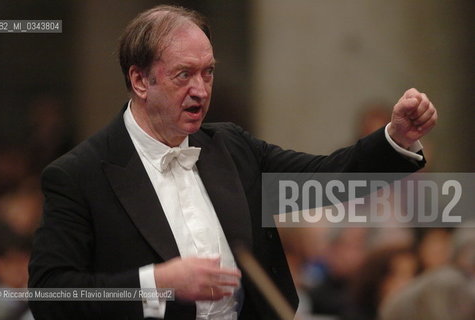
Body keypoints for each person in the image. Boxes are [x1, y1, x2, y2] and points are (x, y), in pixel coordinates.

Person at [28, 5, 438, 320]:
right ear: (140, 80)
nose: (200, 90)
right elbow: (51, 295)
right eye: (183, 75)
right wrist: (156, 284)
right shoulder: (78, 174)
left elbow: (326, 178)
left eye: (207, 73)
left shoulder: (230, 147)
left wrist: (396, 139)